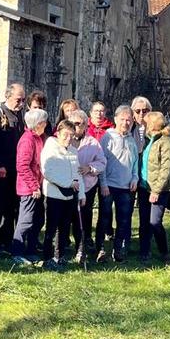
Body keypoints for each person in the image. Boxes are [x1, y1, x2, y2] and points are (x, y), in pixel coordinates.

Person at [0, 82, 26, 257]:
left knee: (11, 208)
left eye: (23, 100)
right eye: (18, 99)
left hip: (16, 169)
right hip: (1, 169)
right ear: (8, 96)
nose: (21, 103)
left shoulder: (20, 115)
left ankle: (6, 241)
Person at [39, 118, 83, 268]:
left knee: (64, 228)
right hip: (54, 195)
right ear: (58, 133)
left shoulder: (73, 151)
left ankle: (60, 255)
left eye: (71, 135)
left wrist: (81, 194)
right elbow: (48, 172)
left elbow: (78, 175)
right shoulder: (50, 148)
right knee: (51, 228)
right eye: (65, 134)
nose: (68, 138)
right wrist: (68, 183)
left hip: (70, 196)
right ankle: (47, 258)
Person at [100, 105, 140, 262]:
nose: (125, 123)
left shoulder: (131, 140)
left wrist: (135, 178)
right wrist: (103, 183)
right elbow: (101, 162)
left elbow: (135, 163)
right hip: (108, 186)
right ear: (115, 119)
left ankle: (118, 250)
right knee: (104, 219)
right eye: (122, 119)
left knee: (123, 220)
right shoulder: (107, 138)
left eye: (128, 120)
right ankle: (101, 249)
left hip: (126, 187)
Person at [66, 110, 106, 262]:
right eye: (74, 123)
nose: (76, 127)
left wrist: (89, 168)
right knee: (66, 217)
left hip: (87, 185)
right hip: (67, 184)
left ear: (85, 125)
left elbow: (102, 162)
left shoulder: (93, 142)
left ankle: (81, 249)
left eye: (80, 124)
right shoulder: (63, 139)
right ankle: (62, 248)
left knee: (82, 218)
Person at [12, 107, 48, 263]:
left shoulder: (39, 138)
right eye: (44, 122)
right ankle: (17, 252)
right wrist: (34, 186)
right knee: (25, 220)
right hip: (29, 188)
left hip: (38, 186)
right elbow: (22, 166)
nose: (46, 124)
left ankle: (31, 250)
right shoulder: (27, 140)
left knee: (38, 220)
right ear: (38, 124)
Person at [138, 111, 170, 262]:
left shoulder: (166, 141)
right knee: (144, 221)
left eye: (146, 122)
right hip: (143, 186)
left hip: (159, 189)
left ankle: (164, 251)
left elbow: (166, 169)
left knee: (155, 221)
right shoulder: (148, 140)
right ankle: (144, 251)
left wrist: (156, 190)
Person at [129, 95, 153, 251]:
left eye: (145, 110)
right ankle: (125, 243)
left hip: (146, 176)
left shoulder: (155, 129)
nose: (141, 114)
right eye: (137, 111)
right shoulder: (128, 127)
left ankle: (145, 246)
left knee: (146, 212)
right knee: (127, 210)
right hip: (130, 174)